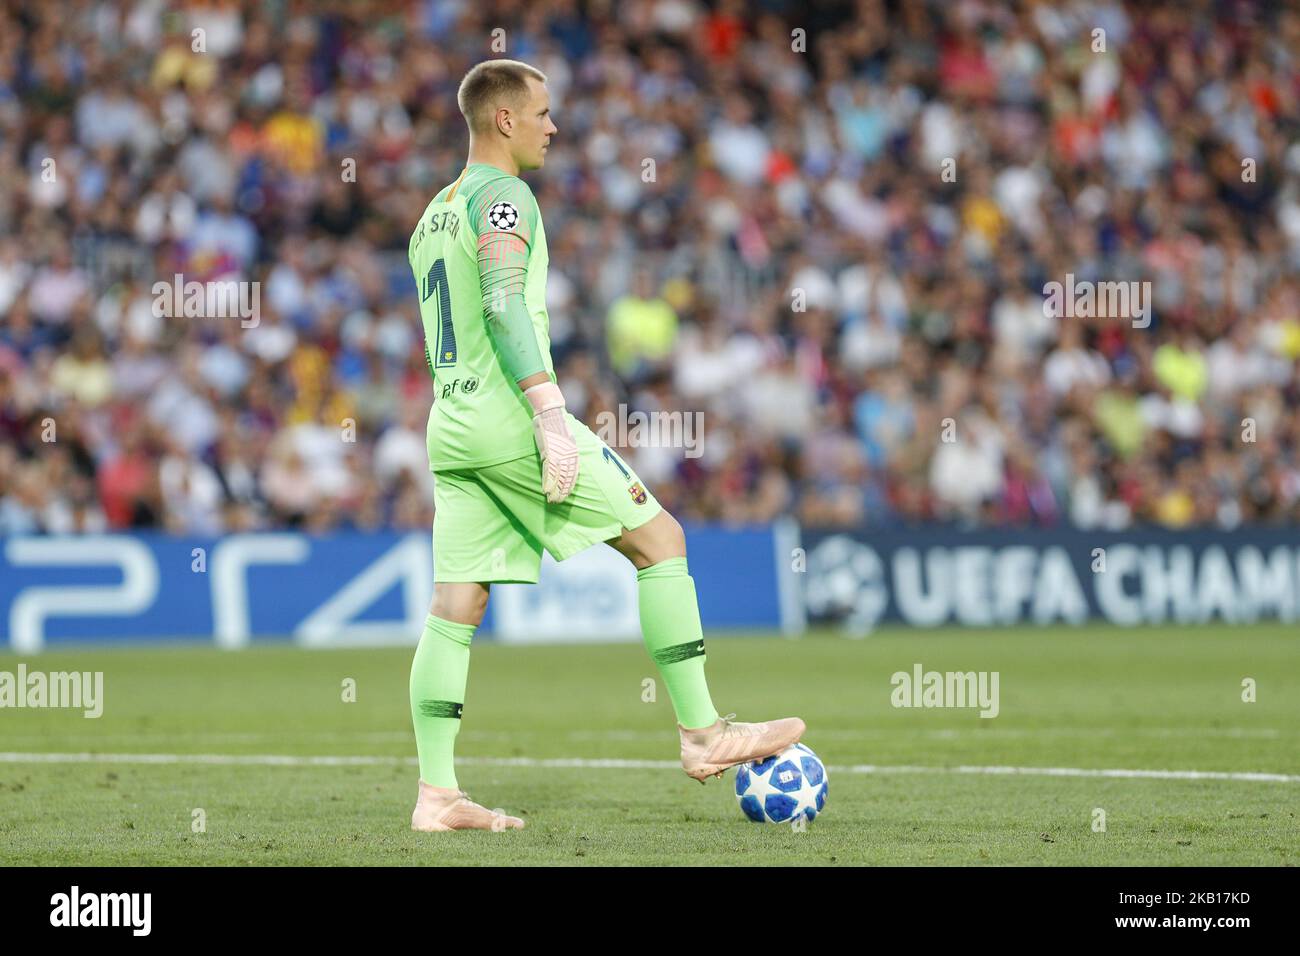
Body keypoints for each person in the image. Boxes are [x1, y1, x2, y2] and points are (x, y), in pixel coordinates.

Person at [405, 59, 804, 832]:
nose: (554, 127)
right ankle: (703, 731)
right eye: (544, 113)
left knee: (456, 604)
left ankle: (437, 794)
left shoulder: (434, 214)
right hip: (509, 418)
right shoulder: (506, 197)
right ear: (505, 121)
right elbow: (499, 305)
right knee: (662, 540)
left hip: (451, 425)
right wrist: (549, 413)